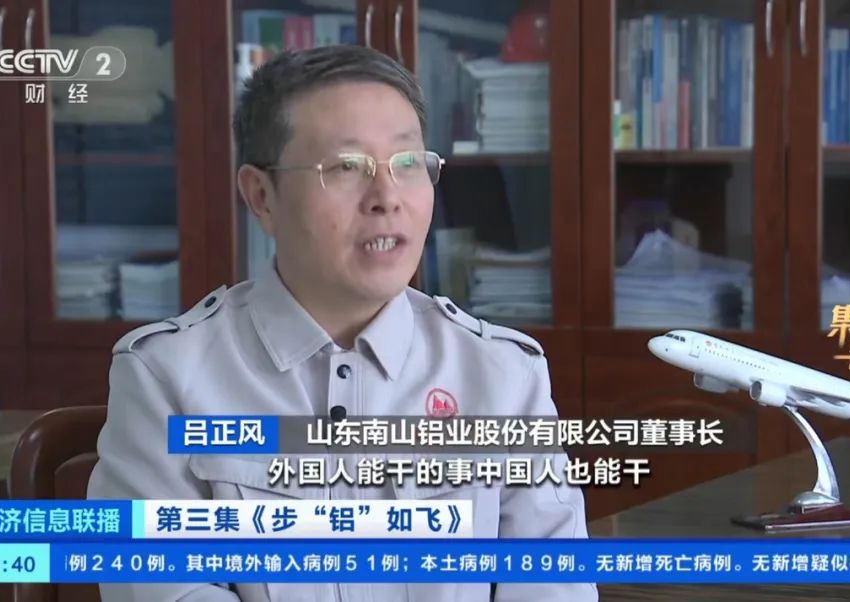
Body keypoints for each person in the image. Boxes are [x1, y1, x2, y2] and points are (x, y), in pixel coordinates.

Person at [88, 44, 597, 602]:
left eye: (408, 163)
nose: (387, 198)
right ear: (262, 196)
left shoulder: (503, 375)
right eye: (346, 167)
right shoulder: (166, 377)